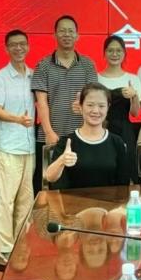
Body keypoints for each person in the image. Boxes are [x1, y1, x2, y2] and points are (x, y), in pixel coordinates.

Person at [31, 15, 98, 191]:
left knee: (80, 187)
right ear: (54, 35)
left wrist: (83, 106)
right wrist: (49, 132)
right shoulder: (43, 65)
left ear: (77, 35)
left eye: (70, 31)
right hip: (51, 137)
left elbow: (94, 99)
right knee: (48, 185)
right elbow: (41, 102)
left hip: (82, 136)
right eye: (62, 31)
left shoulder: (88, 65)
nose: (66, 34)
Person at [0, 29, 35, 262]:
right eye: (13, 45)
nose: (18, 48)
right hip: (8, 147)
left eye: (22, 44)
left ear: (28, 46)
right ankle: (5, 248)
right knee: (6, 200)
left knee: (26, 200)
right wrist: (18, 120)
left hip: (29, 147)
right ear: (6, 48)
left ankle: (21, 243)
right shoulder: (0, 78)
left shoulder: (33, 76)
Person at [46, 83, 130, 189]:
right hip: (72, 199)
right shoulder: (67, 142)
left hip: (109, 199)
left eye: (101, 106)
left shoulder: (117, 142)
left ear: (108, 108)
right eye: (90, 105)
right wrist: (61, 161)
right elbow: (50, 177)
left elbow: (124, 183)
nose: (95, 111)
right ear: (81, 107)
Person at [97, 35, 141, 182]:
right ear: (104, 53)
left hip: (124, 130)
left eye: (118, 51)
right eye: (110, 50)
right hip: (101, 129)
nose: (114, 54)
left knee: (125, 171)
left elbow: (135, 113)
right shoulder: (96, 78)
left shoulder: (133, 78)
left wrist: (134, 96)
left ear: (124, 53)